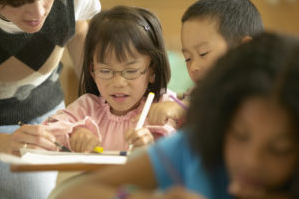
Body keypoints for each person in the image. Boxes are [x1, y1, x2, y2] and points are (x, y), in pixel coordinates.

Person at [50, 32, 299, 199]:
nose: (251, 161)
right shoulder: (194, 149)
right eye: (239, 135)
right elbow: (71, 193)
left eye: (279, 149)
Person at [16, 5, 176, 153]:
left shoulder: (163, 106)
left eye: (131, 71)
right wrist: (74, 133)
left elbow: (186, 142)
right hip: (97, 184)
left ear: (152, 72)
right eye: (105, 71)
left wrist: (154, 144)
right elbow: (48, 130)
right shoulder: (88, 107)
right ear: (92, 71)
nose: (118, 83)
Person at [0, 0, 100, 198]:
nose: (37, 12)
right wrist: (3, 143)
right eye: (19, 2)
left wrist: (101, 110)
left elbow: (78, 31)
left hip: (44, 105)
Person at [147, 0, 264, 127]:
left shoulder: (263, 92)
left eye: (203, 53)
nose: (193, 67)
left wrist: (185, 108)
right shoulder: (195, 94)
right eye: (188, 58)